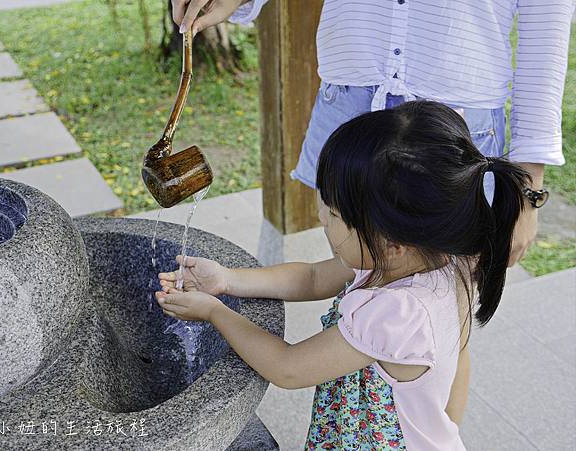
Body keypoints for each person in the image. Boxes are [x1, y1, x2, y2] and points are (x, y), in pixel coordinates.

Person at [155, 101, 530, 450]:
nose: (321, 217)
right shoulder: (443, 260)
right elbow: (313, 279)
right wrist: (227, 279)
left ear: (392, 242)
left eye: (334, 214)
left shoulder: (398, 313)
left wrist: (215, 312)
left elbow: (287, 369)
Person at [169, 0, 572, 266]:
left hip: (452, 131)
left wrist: (526, 190)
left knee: (442, 315)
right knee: (354, 275)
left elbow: (545, 43)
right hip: (346, 105)